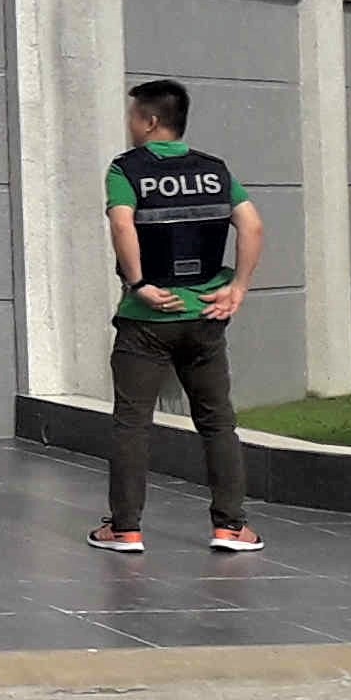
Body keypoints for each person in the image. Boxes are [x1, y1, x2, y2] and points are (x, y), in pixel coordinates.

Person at [98, 78, 267, 555]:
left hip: (147, 320)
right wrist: (238, 288)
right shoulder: (214, 170)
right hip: (205, 316)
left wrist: (139, 285)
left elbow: (121, 223)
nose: (129, 125)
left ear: (151, 121)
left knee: (132, 423)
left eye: (133, 116)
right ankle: (231, 527)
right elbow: (252, 225)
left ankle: (125, 530)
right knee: (217, 423)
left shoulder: (125, 169)